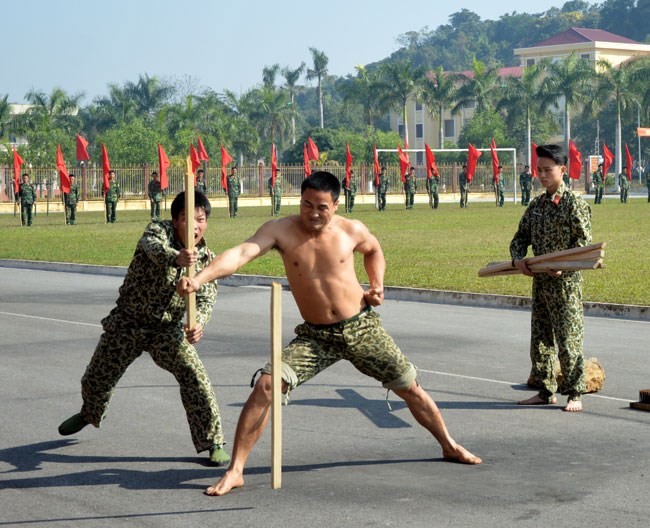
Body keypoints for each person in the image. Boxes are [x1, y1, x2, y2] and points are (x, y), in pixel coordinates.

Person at [177, 170, 482, 497]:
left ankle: (449, 445)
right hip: (315, 337)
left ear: (336, 204)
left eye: (321, 207)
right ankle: (236, 470)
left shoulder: (351, 230)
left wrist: (377, 285)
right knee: (266, 386)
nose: (313, 213)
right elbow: (241, 253)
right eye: (307, 205)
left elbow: (374, 251)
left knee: (409, 386)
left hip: (360, 327)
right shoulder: (280, 230)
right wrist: (200, 278)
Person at [58, 191, 230, 466]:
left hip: (167, 330)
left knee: (195, 377)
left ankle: (213, 442)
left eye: (201, 219)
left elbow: (206, 296)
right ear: (175, 221)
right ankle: (89, 413)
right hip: (129, 321)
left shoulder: (206, 258)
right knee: (96, 378)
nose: (195, 226)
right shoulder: (157, 230)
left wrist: (198, 323)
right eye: (188, 219)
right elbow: (151, 247)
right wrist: (177, 257)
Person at [510, 144, 592, 413]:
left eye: (548, 170)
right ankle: (546, 391)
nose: (542, 175)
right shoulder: (537, 205)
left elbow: (584, 246)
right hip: (541, 281)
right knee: (541, 339)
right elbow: (520, 238)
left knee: (568, 340)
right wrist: (518, 259)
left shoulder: (574, 204)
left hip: (565, 285)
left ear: (563, 170)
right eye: (539, 170)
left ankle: (575, 392)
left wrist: (564, 267)